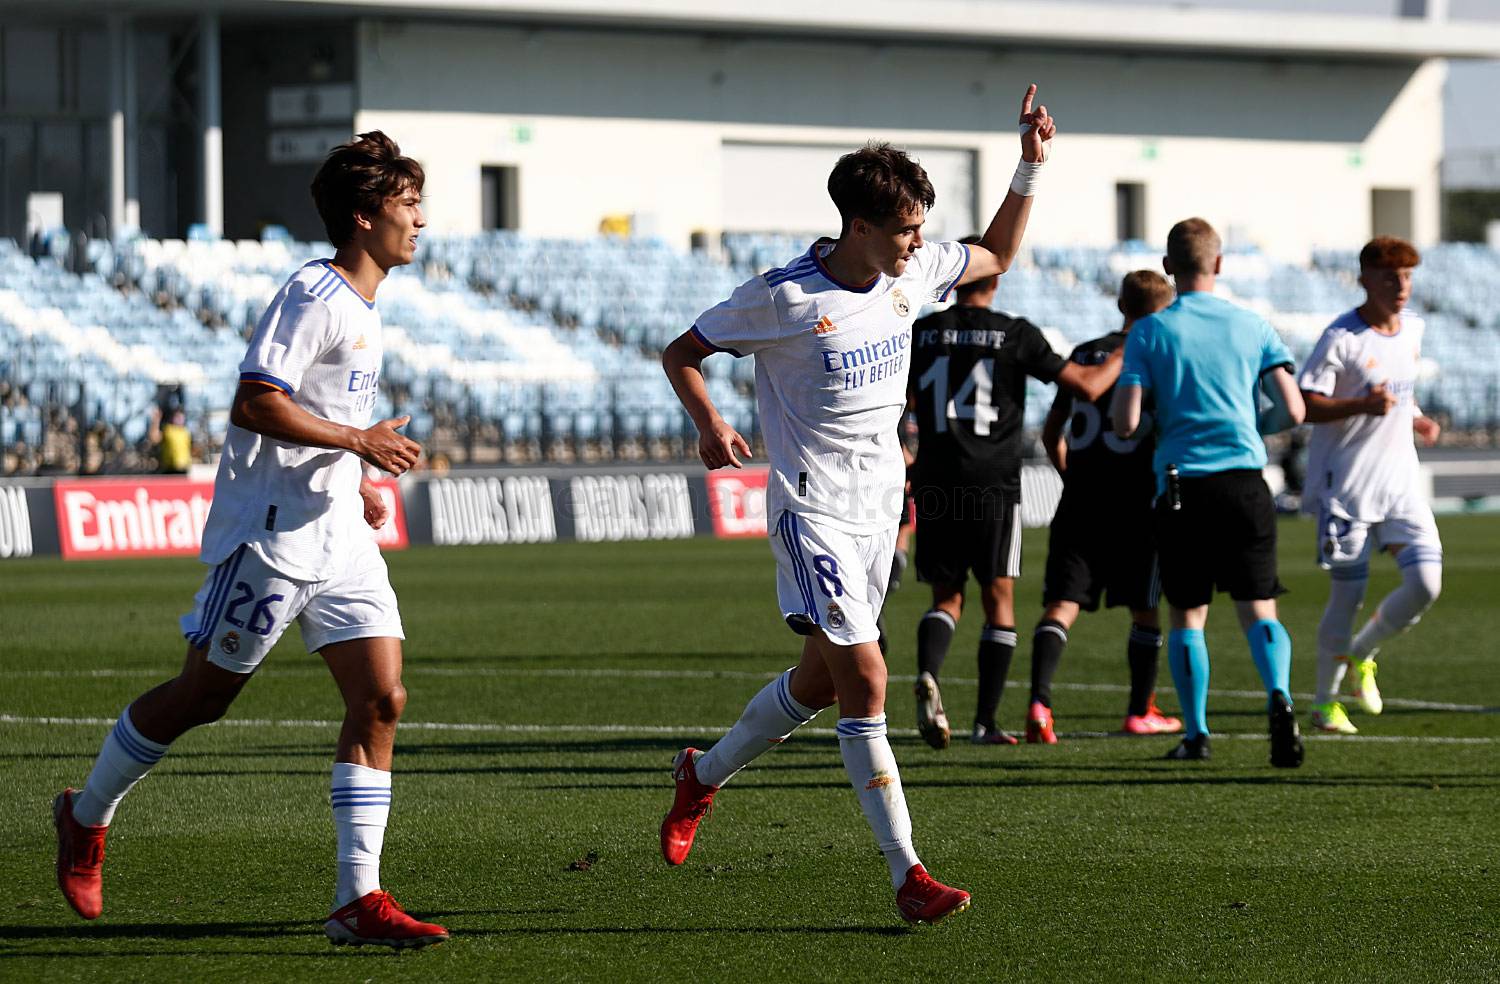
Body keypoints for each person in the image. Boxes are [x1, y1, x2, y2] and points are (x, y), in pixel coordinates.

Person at [659, 85, 1056, 925]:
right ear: (861, 227)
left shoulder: (908, 276)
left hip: (880, 509)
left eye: (920, 227)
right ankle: (909, 874)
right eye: (908, 227)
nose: (921, 241)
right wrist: (710, 423)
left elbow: (994, 256)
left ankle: (701, 775)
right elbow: (684, 351)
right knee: (868, 676)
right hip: (812, 512)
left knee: (821, 682)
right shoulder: (784, 297)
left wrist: (1028, 165)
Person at [52, 132, 447, 948]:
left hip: (337, 535)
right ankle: (85, 816)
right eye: (409, 205)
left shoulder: (366, 305)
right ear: (366, 216)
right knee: (204, 697)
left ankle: (356, 899)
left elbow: (312, 420)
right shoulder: (316, 292)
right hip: (271, 540)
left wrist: (357, 478)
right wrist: (358, 442)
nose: (421, 221)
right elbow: (254, 403)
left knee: (381, 698)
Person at [907, 240, 1124, 749]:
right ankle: (984, 724)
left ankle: (929, 674)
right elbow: (1088, 387)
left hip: (936, 478)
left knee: (946, 597)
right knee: (998, 599)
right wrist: (1130, 346)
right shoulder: (1015, 334)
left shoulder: (923, 332)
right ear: (995, 278)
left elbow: (899, 399)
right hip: (993, 481)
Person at [1110, 217, 1306, 766]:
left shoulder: (1151, 331)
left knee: (1188, 615)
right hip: (1245, 480)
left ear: (1169, 266)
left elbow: (1126, 422)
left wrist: (1156, 419)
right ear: (1218, 264)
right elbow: (1293, 409)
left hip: (1181, 485)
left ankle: (1196, 734)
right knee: (1259, 608)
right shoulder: (1253, 326)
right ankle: (1280, 697)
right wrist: (1248, 426)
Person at [1024, 270, 1182, 743]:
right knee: (1145, 609)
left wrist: (1074, 476)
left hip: (1082, 498)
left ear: (1120, 304)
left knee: (1061, 604)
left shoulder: (1084, 353)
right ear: (1166, 309)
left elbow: (1051, 434)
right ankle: (1140, 710)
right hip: (1139, 501)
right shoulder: (1161, 353)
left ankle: (1039, 705)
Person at [1299, 236, 1443, 735]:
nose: (1401, 286)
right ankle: (1323, 705)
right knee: (1347, 597)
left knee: (1427, 583)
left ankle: (1362, 654)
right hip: (1347, 489)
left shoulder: (1414, 330)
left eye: (1406, 277)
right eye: (1389, 277)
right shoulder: (1341, 337)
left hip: (1401, 482)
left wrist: (1417, 419)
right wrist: (1361, 405)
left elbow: (1400, 394)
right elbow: (1305, 404)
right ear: (1364, 280)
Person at [149, 405, 193, 474]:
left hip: (184, 469)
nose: (180, 419)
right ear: (173, 418)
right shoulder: (167, 430)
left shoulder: (186, 432)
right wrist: (156, 420)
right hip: (169, 469)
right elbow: (154, 438)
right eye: (177, 417)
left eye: (181, 417)